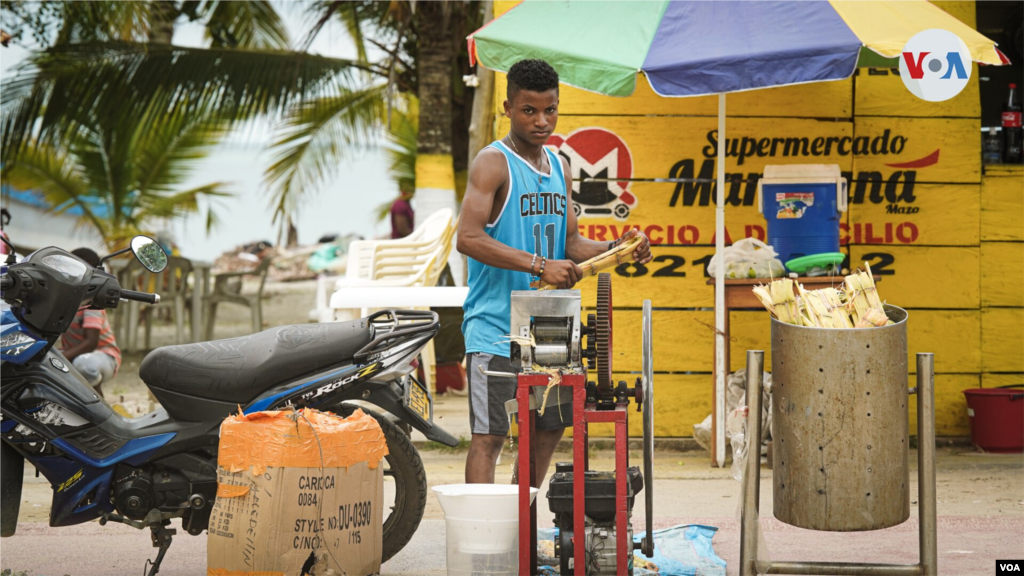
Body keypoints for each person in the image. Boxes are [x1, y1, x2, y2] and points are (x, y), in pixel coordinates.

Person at [456, 59, 652, 485]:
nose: (542, 121)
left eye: (551, 110)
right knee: (489, 438)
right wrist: (539, 265)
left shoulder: (559, 167)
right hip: (495, 328)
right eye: (529, 110)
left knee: (549, 430)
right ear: (508, 107)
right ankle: (485, 542)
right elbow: (467, 239)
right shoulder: (493, 164)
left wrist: (618, 248)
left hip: (551, 329)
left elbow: (571, 246)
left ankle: (516, 524)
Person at [61, 248, 121, 395]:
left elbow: (91, 342)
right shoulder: (63, 298)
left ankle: (98, 404)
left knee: (83, 365)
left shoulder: (92, 302)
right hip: (73, 353)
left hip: (102, 355)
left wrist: (61, 358)